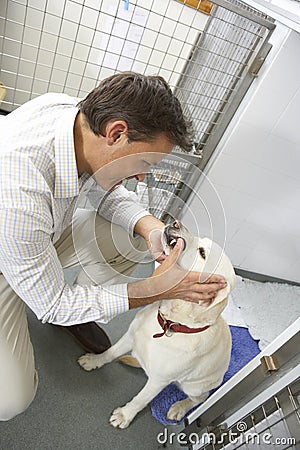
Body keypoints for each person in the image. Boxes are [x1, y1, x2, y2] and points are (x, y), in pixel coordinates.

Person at [0, 72, 227, 421]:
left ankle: (81, 311)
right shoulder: (18, 193)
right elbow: (51, 305)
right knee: (12, 400)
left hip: (34, 238)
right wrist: (154, 289)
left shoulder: (70, 115)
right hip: (8, 258)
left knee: (126, 234)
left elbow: (102, 185)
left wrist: (148, 225)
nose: (141, 178)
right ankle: (72, 310)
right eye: (145, 164)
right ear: (117, 133)